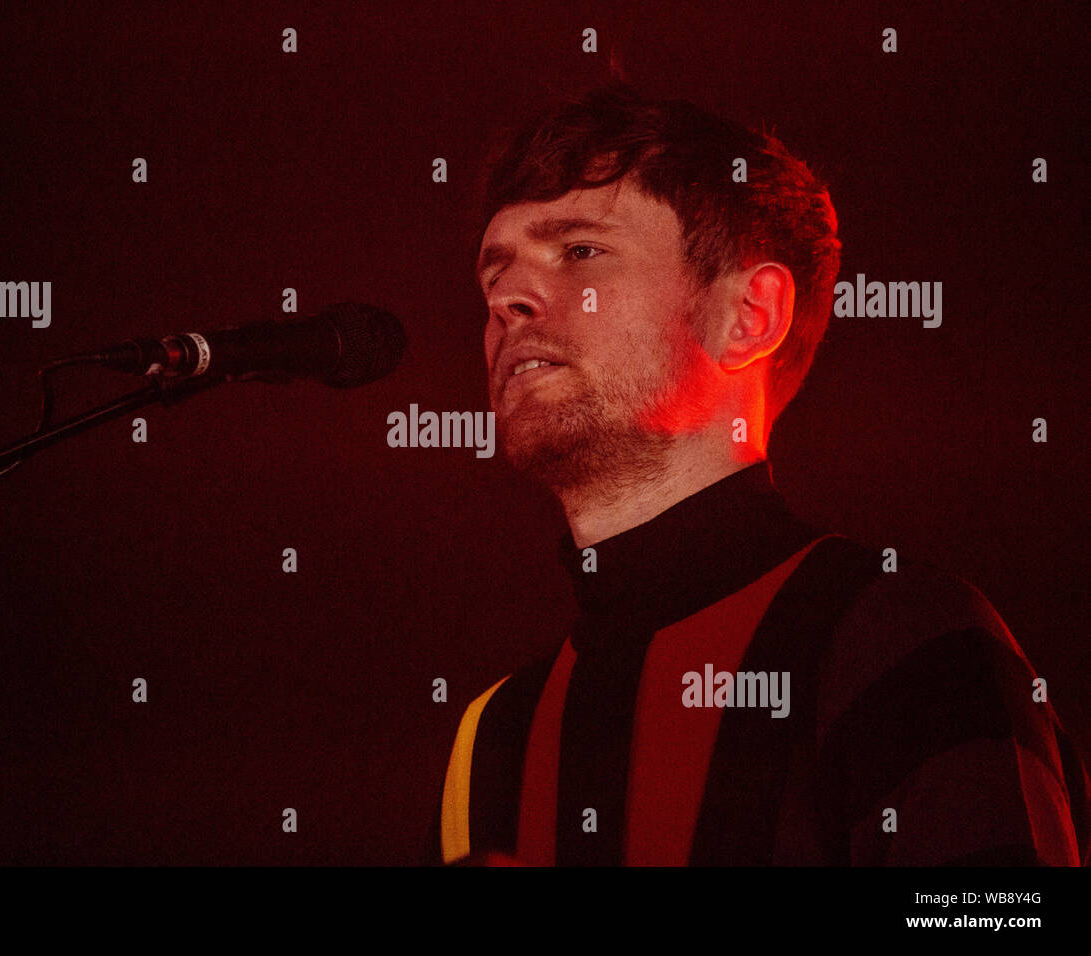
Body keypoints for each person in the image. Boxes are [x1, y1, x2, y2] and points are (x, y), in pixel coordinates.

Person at [430, 81, 1090, 866]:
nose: (510, 298)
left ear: (749, 317)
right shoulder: (491, 733)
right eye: (494, 273)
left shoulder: (904, 633)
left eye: (580, 251)